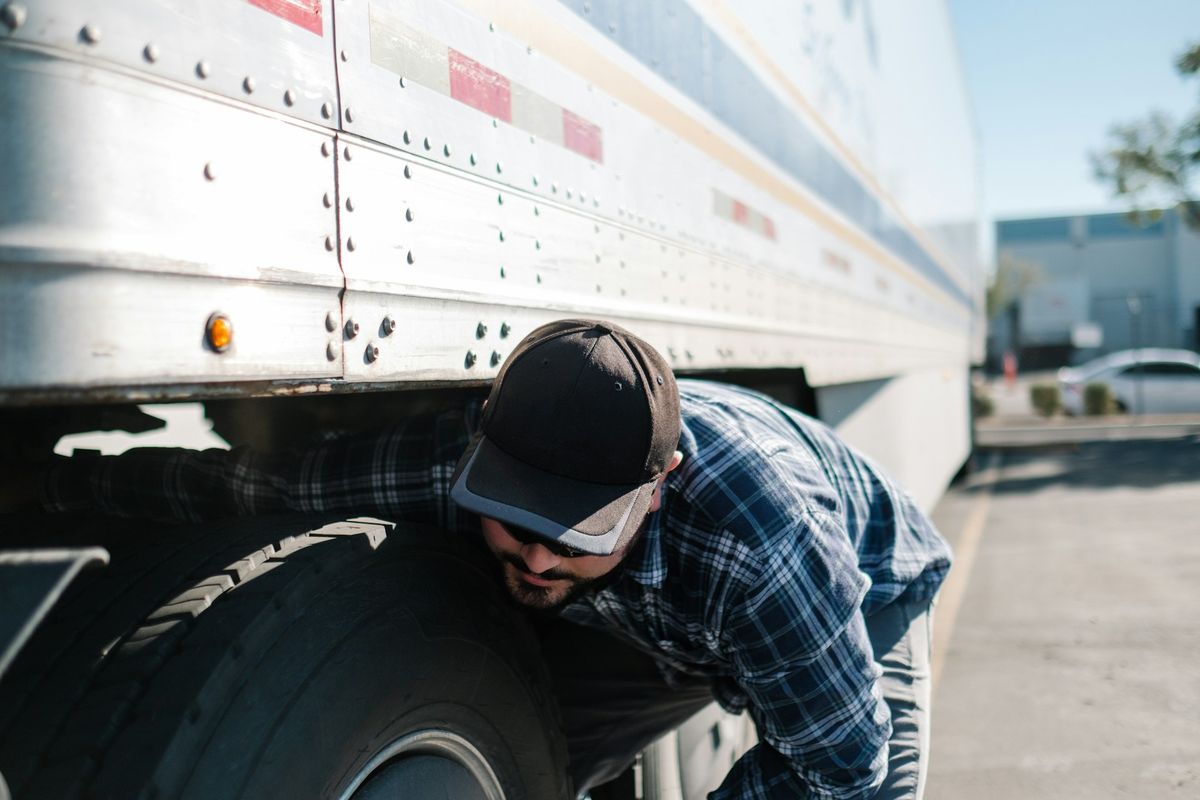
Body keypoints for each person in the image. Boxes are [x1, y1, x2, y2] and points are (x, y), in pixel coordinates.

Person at [25, 318, 951, 799]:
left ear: (661, 482)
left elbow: (837, 767)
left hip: (867, 595)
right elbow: (254, 487)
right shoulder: (450, 466)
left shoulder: (761, 546)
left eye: (577, 529)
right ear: (481, 450)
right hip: (649, 618)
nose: (539, 558)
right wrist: (55, 487)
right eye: (515, 520)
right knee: (526, 758)